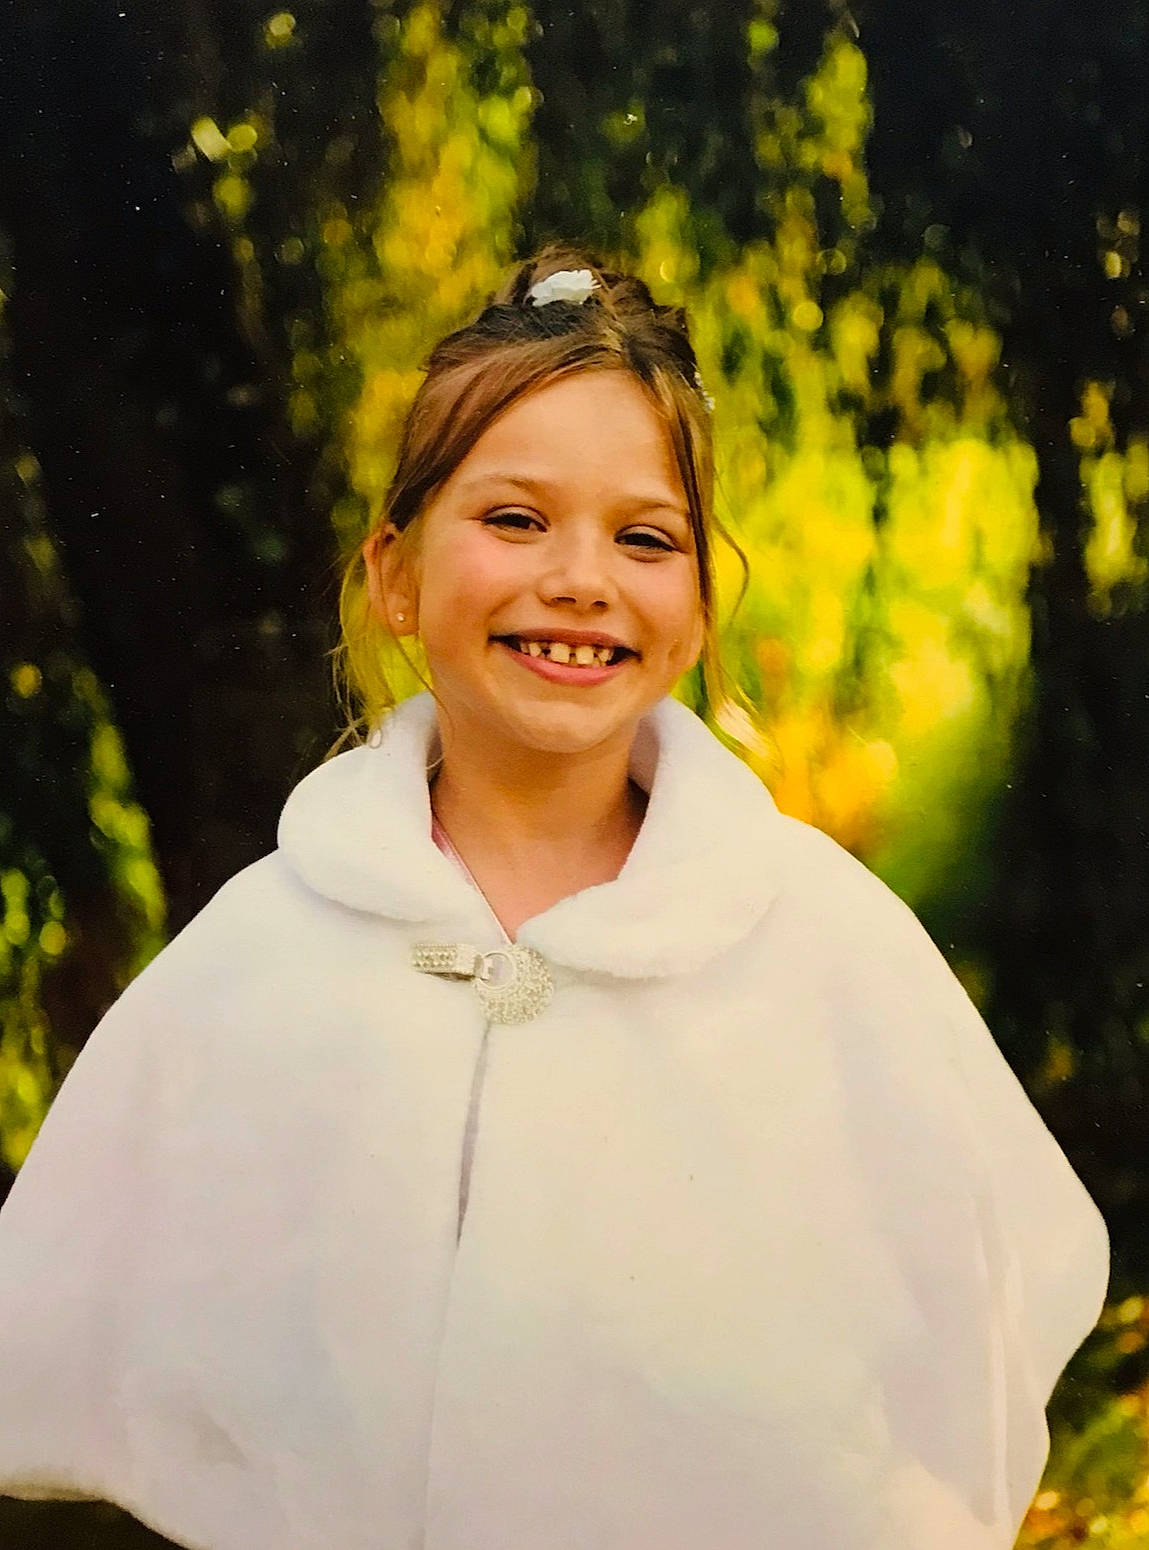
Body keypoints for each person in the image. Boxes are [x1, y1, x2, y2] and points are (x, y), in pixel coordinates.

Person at [0, 244, 1110, 1550]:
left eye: (644, 537)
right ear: (395, 574)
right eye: (514, 519)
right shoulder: (262, 950)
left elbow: (966, 1321)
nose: (580, 577)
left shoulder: (820, 940)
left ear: (697, 606)